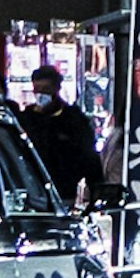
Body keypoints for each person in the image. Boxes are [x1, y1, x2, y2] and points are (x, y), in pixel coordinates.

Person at [14, 62, 110, 209]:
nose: (41, 94)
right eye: (37, 89)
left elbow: (89, 160)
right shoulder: (26, 119)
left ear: (56, 89)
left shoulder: (73, 120)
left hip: (64, 194)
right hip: (31, 193)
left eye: (46, 89)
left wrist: (96, 193)